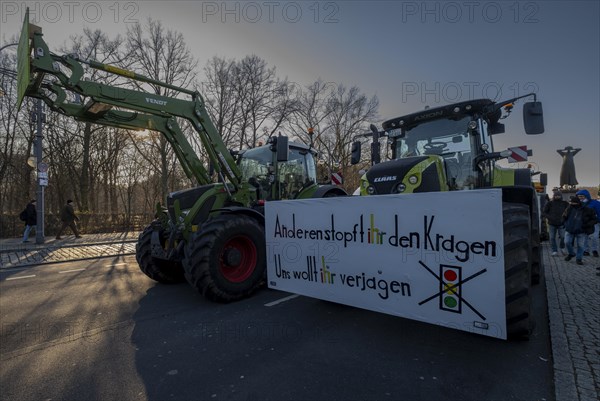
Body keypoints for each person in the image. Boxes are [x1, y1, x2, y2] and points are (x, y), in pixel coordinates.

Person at [562, 196, 596, 265]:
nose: (572, 204)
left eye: (573, 203)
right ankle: (571, 253)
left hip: (581, 230)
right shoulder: (569, 208)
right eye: (571, 203)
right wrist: (565, 224)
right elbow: (564, 216)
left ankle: (579, 259)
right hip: (569, 229)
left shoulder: (587, 209)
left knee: (580, 245)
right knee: (567, 242)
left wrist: (587, 225)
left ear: (578, 203)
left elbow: (594, 219)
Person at [576, 189, 600, 257]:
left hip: (594, 222)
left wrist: (598, 220)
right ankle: (586, 250)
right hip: (583, 223)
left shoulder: (595, 203)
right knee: (584, 237)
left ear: (586, 196)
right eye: (579, 196)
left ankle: (594, 250)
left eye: (582, 196)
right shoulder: (578, 204)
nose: (580, 197)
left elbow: (599, 211)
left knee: (594, 237)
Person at [543, 191, 569, 256]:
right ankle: (554, 250)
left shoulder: (565, 203)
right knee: (552, 238)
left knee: (563, 237)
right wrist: (550, 217)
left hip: (562, 223)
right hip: (552, 223)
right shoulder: (550, 203)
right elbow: (544, 212)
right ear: (554, 196)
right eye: (556, 195)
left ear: (561, 196)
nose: (557, 196)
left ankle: (562, 247)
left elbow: (569, 211)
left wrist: (565, 218)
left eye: (558, 195)